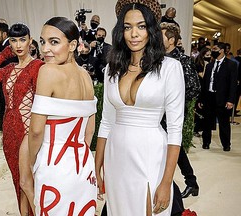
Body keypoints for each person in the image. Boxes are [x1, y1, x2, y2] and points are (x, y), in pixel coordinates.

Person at [95, 1, 185, 215]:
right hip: (116, 156)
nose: (134, 33)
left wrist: (166, 182)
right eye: (127, 27)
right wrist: (97, 167)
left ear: (151, 30)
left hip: (150, 154)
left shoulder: (170, 68)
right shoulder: (111, 68)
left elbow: (175, 130)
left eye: (141, 26)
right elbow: (106, 121)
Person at [28, 17, 97, 215]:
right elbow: (89, 130)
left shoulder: (48, 71)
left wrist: (33, 162)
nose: (45, 49)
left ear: (73, 45)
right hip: (84, 167)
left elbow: (35, 131)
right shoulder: (86, 76)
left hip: (54, 168)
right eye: (42, 41)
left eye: (54, 42)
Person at [0, 23, 44, 216]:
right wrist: (4, 54)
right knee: (18, 180)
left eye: (22, 40)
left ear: (30, 41)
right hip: (8, 130)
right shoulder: (8, 69)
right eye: (14, 41)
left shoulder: (39, 67)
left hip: (28, 131)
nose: (18, 45)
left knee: (28, 181)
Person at [161, 23, 200, 202]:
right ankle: (191, 181)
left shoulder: (183, 61)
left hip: (173, 113)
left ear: (171, 40)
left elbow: (194, 88)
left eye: (161, 37)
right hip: (158, 112)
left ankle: (189, 181)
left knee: (172, 146)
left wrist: (174, 98)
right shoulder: (158, 59)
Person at [199, 42, 238, 151]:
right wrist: (202, 98)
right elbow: (205, 83)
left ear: (221, 50)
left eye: (215, 49)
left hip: (223, 98)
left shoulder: (231, 65)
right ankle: (206, 142)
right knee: (207, 121)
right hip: (209, 97)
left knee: (224, 123)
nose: (213, 51)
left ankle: (226, 144)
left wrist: (231, 100)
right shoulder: (210, 65)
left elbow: (233, 84)